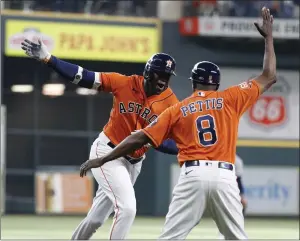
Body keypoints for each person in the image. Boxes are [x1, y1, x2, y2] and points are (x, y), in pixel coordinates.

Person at [79, 6, 276, 239]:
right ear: (217, 84)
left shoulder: (178, 109)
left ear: (193, 83)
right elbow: (269, 76)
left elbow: (139, 137)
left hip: (193, 175)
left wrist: (103, 158)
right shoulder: (231, 98)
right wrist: (268, 38)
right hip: (225, 176)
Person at [21, 39, 179, 239]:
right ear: (148, 72)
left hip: (134, 163)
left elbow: (176, 141)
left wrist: (156, 140)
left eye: (167, 76)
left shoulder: (171, 102)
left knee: (96, 219)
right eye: (160, 74)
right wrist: (49, 59)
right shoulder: (124, 83)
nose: (163, 80)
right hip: (107, 151)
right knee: (128, 209)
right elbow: (83, 76)